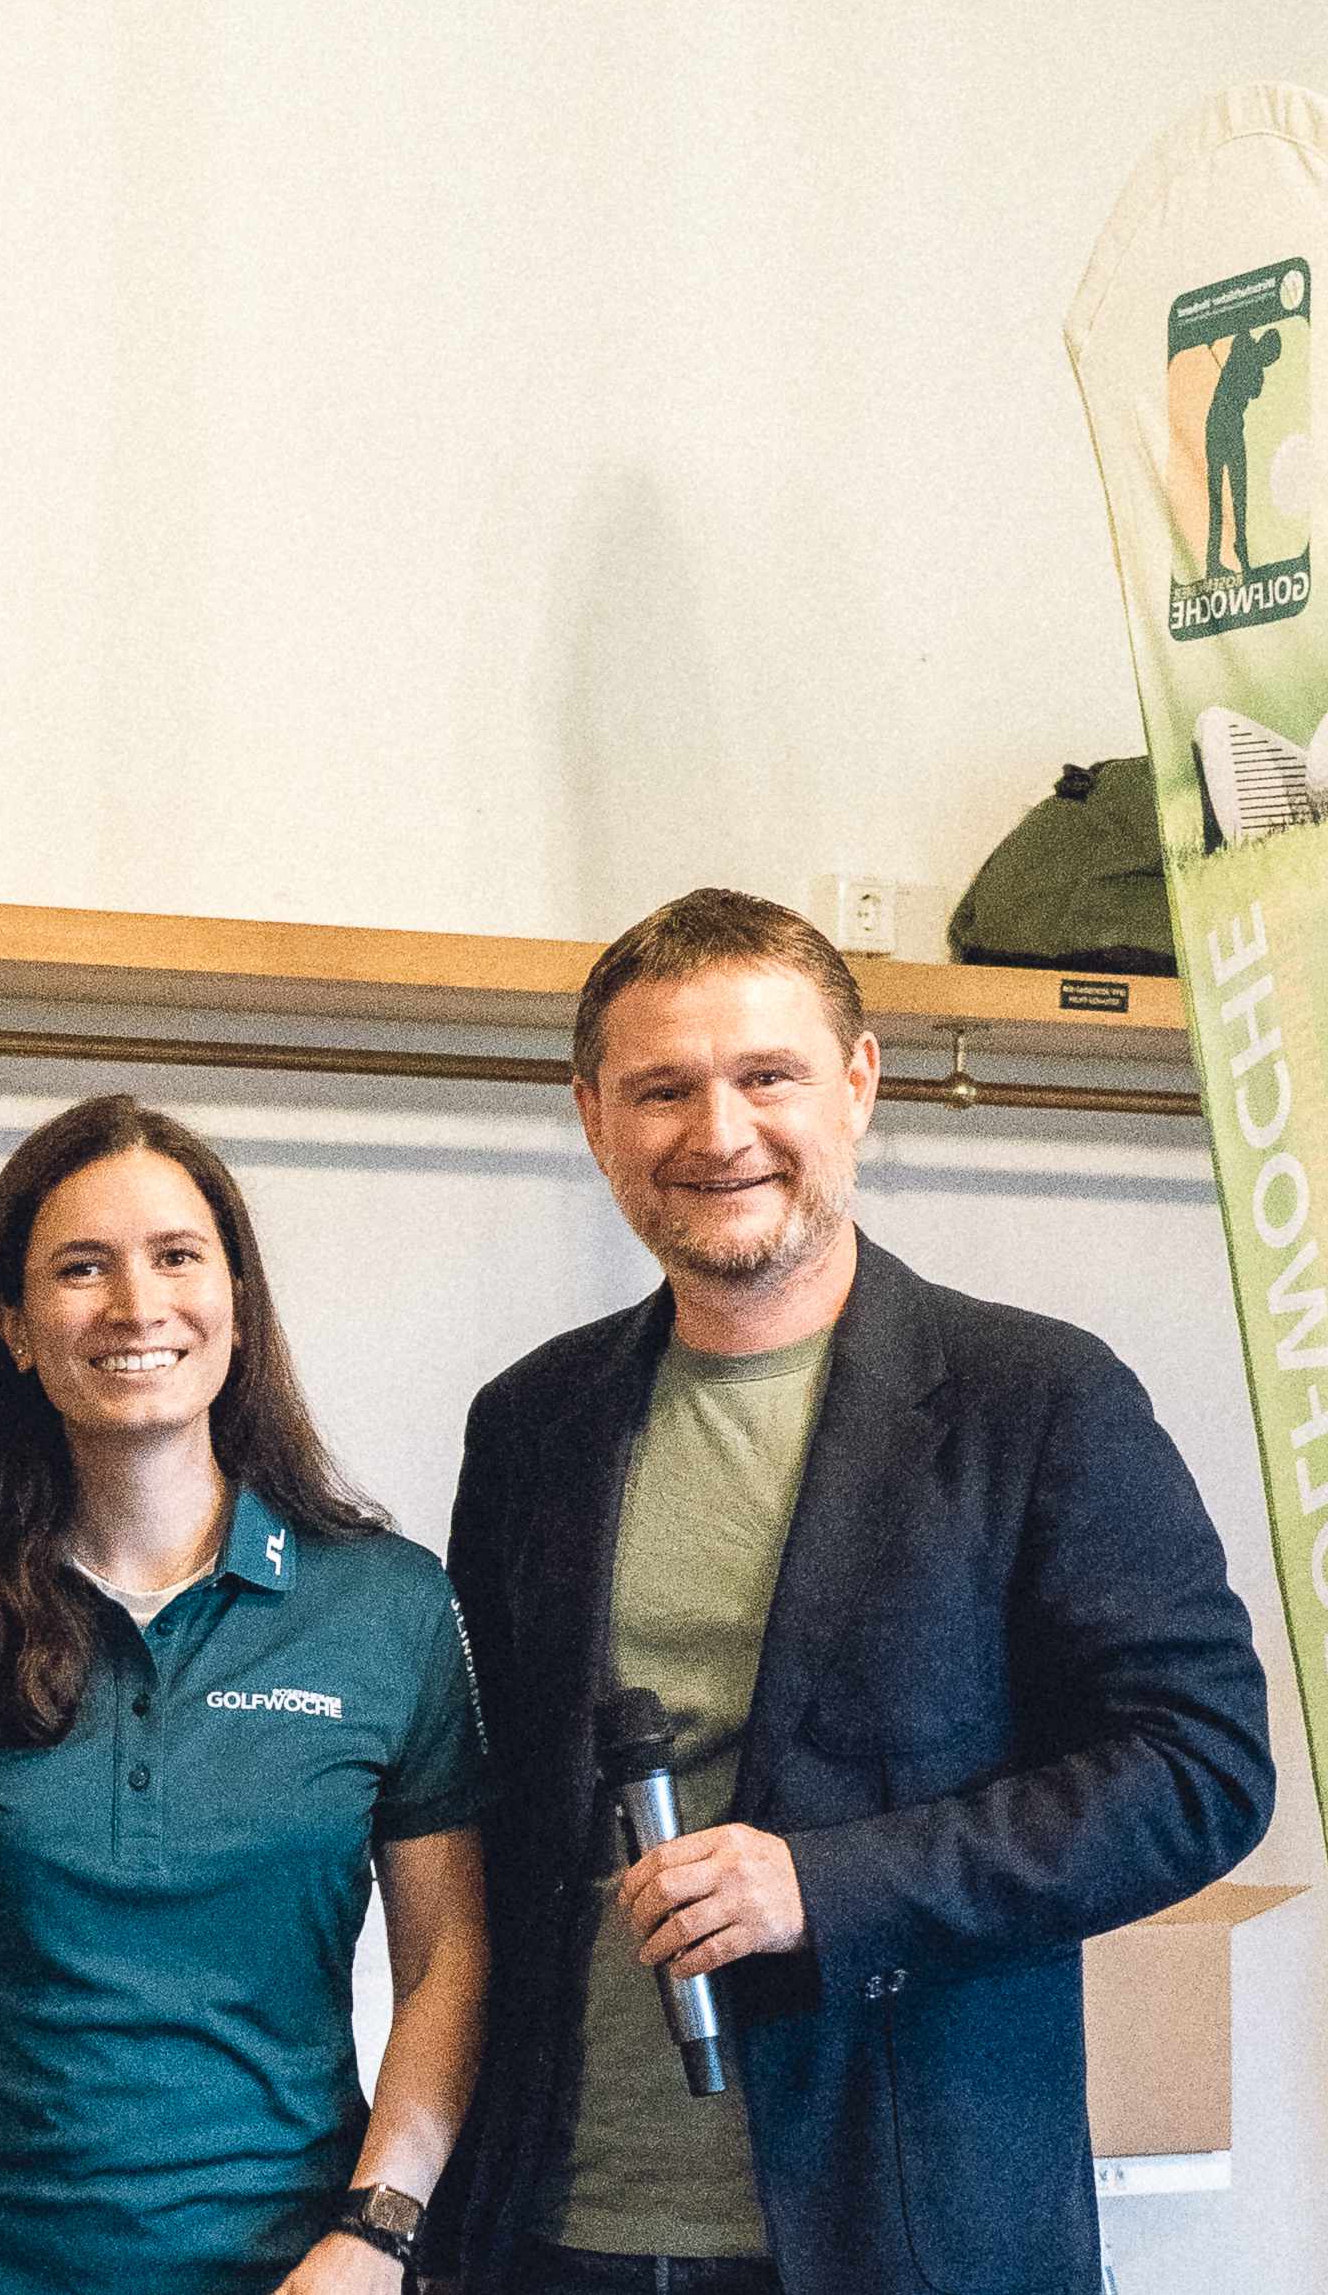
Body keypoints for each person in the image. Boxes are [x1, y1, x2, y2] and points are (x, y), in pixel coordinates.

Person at [425, 888, 1276, 2295]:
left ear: (860, 1083)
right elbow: (493, 1807)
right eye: (661, 1089)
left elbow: (1199, 1769)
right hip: (558, 2226)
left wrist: (830, 1885)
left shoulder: (1036, 1399)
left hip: (902, 2232)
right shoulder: (532, 1423)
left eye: (768, 1076)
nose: (718, 1132)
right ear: (591, 1116)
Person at [0, 1094, 490, 2295]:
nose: (136, 1306)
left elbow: (448, 1958)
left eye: (177, 1257)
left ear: (235, 1304)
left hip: (290, 2272)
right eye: (82, 1268)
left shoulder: (385, 1606)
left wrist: (378, 2230)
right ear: (15, 1329)